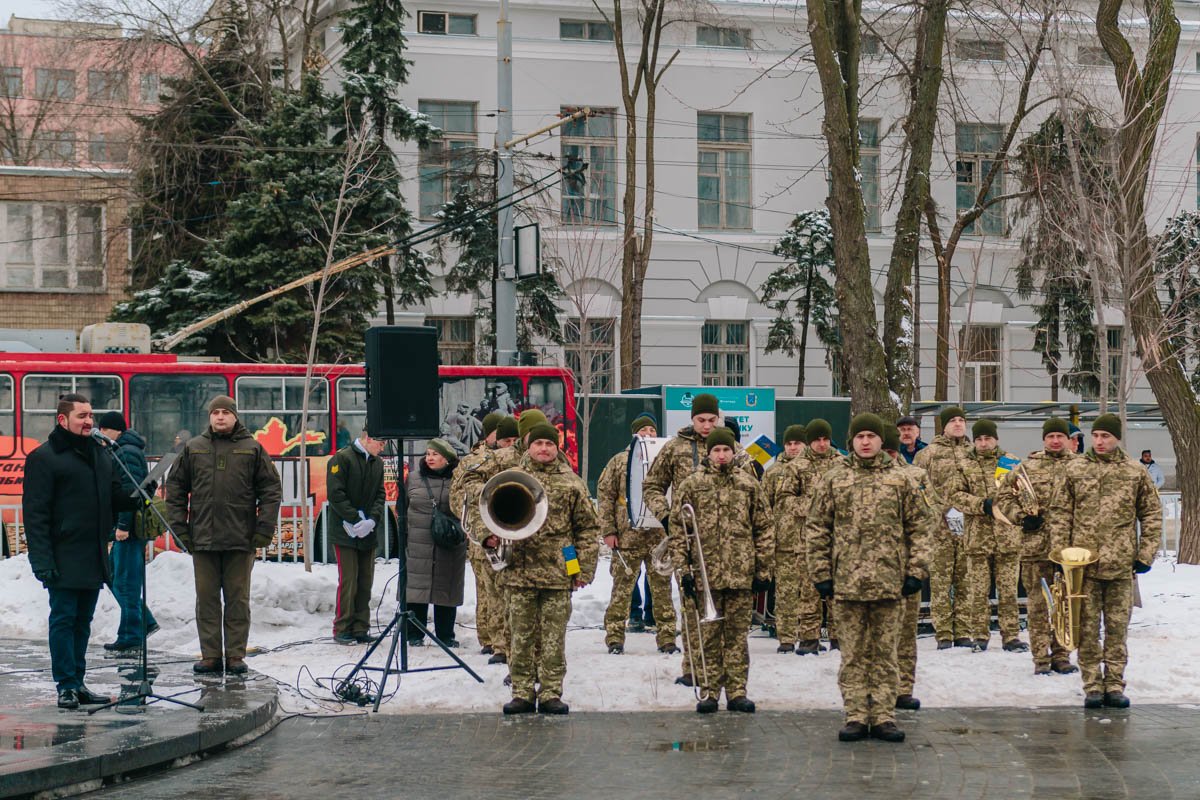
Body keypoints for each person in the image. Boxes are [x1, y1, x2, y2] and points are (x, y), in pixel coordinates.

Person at [805, 413, 931, 743]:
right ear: (852, 441)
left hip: (890, 582)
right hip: (846, 583)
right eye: (859, 436)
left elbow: (920, 527)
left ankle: (885, 716)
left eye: (871, 436)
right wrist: (821, 573)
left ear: (880, 440)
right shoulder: (834, 478)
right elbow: (817, 528)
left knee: (886, 653)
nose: (865, 442)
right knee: (853, 655)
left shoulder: (901, 479)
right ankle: (857, 715)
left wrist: (916, 571)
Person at [24, 393, 141, 709]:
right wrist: (41, 560)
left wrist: (138, 495)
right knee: (63, 620)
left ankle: (78, 682)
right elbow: (35, 515)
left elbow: (115, 496)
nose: (89, 421)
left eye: (91, 415)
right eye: (82, 416)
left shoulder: (100, 454)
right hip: (63, 555)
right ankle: (66, 685)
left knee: (82, 622)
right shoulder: (44, 458)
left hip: (93, 554)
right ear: (63, 420)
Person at [641, 393, 756, 686]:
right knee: (692, 606)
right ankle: (694, 667)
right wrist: (666, 516)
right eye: (701, 420)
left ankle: (728, 674)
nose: (706, 425)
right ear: (692, 419)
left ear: (719, 418)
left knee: (730, 613)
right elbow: (652, 485)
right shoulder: (675, 447)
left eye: (711, 420)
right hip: (689, 540)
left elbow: (754, 489)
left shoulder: (734, 449)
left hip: (729, 544)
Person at [1050, 413, 1161, 709]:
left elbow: (1151, 513)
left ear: (1117, 438)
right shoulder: (1075, 469)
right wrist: (1061, 554)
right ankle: (1092, 684)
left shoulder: (1135, 471)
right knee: (1086, 629)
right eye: (1096, 436)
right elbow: (1060, 513)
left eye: (1106, 436)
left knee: (1116, 629)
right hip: (1083, 568)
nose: (1099, 441)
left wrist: (1146, 553)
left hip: (1121, 565)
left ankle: (1114, 683)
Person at [167, 395, 282, 676]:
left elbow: (271, 491)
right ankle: (210, 656)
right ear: (210, 416)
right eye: (215, 412)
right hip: (202, 540)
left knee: (237, 600)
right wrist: (181, 530)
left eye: (225, 412)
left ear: (235, 416)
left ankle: (235, 656)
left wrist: (263, 529)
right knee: (206, 600)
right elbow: (176, 489)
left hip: (240, 540)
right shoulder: (194, 448)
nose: (220, 416)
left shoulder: (252, 448)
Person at [670, 426, 774, 713]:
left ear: (733, 451)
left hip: (741, 574)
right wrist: (684, 570)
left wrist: (763, 570)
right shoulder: (692, 485)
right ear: (708, 453)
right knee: (709, 638)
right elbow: (679, 531)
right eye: (716, 450)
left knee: (737, 637)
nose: (721, 455)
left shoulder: (748, 484)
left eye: (726, 449)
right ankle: (710, 690)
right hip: (706, 576)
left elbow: (764, 528)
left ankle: (737, 691)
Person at [499, 423, 598, 715]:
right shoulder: (512, 477)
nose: (544, 448)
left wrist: (580, 569)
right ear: (528, 446)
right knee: (520, 636)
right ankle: (522, 692)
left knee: (554, 638)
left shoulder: (572, 482)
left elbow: (585, 529)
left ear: (557, 448)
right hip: (519, 571)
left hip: (558, 571)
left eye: (549, 444)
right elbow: (487, 515)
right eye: (538, 443)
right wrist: (488, 537)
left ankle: (551, 692)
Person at [995, 417, 1080, 675]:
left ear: (1068, 439)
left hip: (1069, 550)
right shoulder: (1027, 467)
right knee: (1038, 606)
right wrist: (1021, 517)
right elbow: (1003, 497)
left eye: (1059, 436)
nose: (1055, 441)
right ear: (1044, 439)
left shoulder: (1080, 466)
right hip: (1036, 548)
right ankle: (1041, 658)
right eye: (1050, 436)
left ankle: (1062, 655)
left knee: (1066, 605)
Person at [599, 414, 678, 655]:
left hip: (658, 537)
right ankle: (615, 637)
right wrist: (608, 530)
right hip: (627, 536)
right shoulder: (619, 461)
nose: (648, 434)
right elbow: (605, 497)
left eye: (652, 430)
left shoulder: (664, 459)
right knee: (622, 589)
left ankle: (667, 637)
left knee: (662, 589)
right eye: (643, 429)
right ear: (634, 433)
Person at [945, 419, 1025, 653]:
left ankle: (1011, 636)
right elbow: (955, 495)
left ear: (996, 439)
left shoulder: (1011, 463)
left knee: (1008, 591)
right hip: (977, 539)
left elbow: (1024, 494)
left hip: (1007, 537)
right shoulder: (964, 464)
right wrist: (981, 504)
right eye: (979, 439)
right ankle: (979, 635)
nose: (983, 443)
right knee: (978, 592)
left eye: (987, 438)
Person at [881, 425, 936, 712]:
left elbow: (928, 519)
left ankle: (904, 688)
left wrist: (917, 567)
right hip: (873, 569)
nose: (889, 457)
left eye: (892, 452)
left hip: (905, 566)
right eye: (885, 451)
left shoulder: (915, 476)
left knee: (905, 633)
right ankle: (878, 689)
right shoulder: (860, 477)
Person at [97, 411, 160, 654]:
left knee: (124, 583)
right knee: (115, 577)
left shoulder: (125, 452)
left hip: (130, 529)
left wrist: (123, 526)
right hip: (128, 527)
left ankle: (131, 635)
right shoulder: (124, 449)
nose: (102, 434)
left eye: (104, 430)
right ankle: (145, 622)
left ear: (115, 430)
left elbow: (130, 491)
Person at [914, 406, 972, 648]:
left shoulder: (973, 452)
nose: (958, 424)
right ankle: (944, 632)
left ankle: (964, 631)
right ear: (944, 426)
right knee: (940, 582)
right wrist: (941, 510)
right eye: (953, 421)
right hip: (939, 528)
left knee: (966, 581)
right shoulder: (929, 454)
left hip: (968, 528)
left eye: (961, 420)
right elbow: (919, 488)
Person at [450, 412, 507, 657]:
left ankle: (503, 639)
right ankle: (489, 639)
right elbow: (457, 498)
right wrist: (475, 524)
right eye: (500, 433)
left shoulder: (514, 457)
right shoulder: (473, 461)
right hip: (481, 538)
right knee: (486, 592)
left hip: (510, 535)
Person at [785, 419, 842, 654]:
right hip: (806, 540)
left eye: (825, 439)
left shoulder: (841, 464)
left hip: (837, 541)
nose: (822, 444)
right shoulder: (796, 466)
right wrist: (816, 506)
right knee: (808, 592)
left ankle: (839, 637)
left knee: (838, 592)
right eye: (817, 439)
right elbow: (786, 500)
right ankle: (809, 638)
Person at [403, 438, 467, 647]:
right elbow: (402, 507)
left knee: (446, 587)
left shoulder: (459, 479)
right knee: (416, 588)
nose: (429, 458)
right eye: (428, 453)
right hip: (418, 542)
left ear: (447, 459)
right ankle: (414, 633)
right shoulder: (413, 478)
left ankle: (445, 635)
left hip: (448, 542)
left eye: (435, 454)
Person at [327, 425, 386, 645]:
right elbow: (336, 494)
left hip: (367, 530)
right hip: (345, 531)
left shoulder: (377, 463)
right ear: (368, 438)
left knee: (365, 581)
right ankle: (342, 627)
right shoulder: (342, 458)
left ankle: (361, 627)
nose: (382, 448)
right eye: (380, 443)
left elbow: (380, 494)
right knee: (349, 580)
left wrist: (372, 520)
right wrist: (354, 518)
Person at [763, 424, 807, 654]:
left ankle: (809, 634)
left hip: (810, 543)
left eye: (797, 443)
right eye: (789, 444)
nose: (792, 448)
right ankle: (787, 637)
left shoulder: (813, 469)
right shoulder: (773, 472)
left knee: (810, 594)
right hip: (784, 543)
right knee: (786, 593)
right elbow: (764, 507)